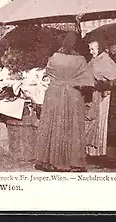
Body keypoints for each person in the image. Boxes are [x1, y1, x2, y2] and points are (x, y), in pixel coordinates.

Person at [35, 31, 95, 172]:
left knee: (52, 125)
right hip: (72, 95)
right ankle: (73, 162)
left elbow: (48, 71)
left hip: (54, 94)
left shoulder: (55, 57)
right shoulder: (80, 59)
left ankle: (48, 161)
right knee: (72, 127)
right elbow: (88, 80)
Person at [86, 39, 116, 168]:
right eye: (90, 49)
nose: (91, 51)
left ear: (100, 49)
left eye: (93, 49)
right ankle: (100, 156)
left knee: (111, 129)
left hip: (110, 100)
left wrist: (102, 84)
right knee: (98, 127)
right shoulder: (92, 62)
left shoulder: (108, 62)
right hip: (97, 98)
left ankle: (114, 159)